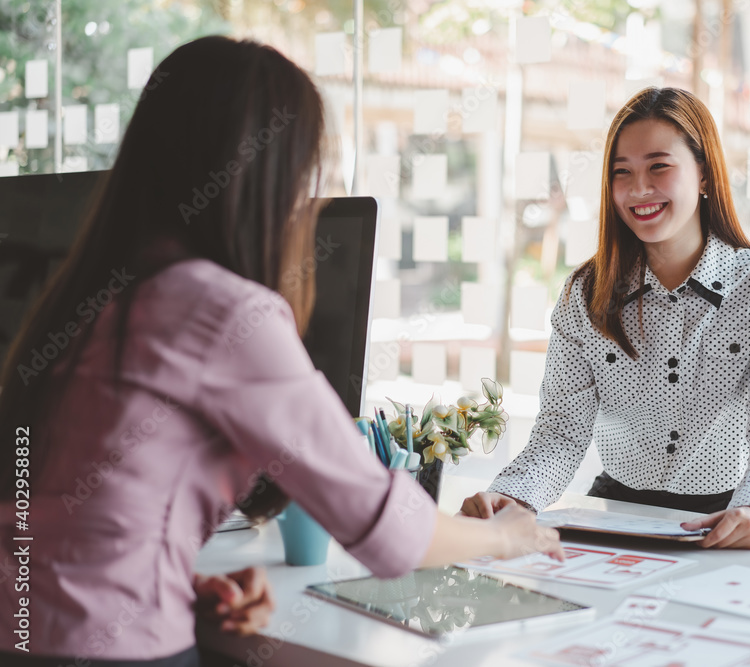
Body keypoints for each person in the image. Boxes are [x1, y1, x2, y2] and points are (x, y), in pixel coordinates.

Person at [0, 36, 562, 666]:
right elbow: (385, 530)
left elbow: (55, 513)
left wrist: (173, 587)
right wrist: (502, 537)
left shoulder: (93, 296)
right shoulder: (221, 312)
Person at [461, 87, 750, 549]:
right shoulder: (585, 293)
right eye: (621, 173)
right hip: (613, 518)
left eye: (659, 167)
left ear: (704, 174)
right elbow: (562, 432)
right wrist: (510, 497)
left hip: (727, 519)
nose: (639, 189)